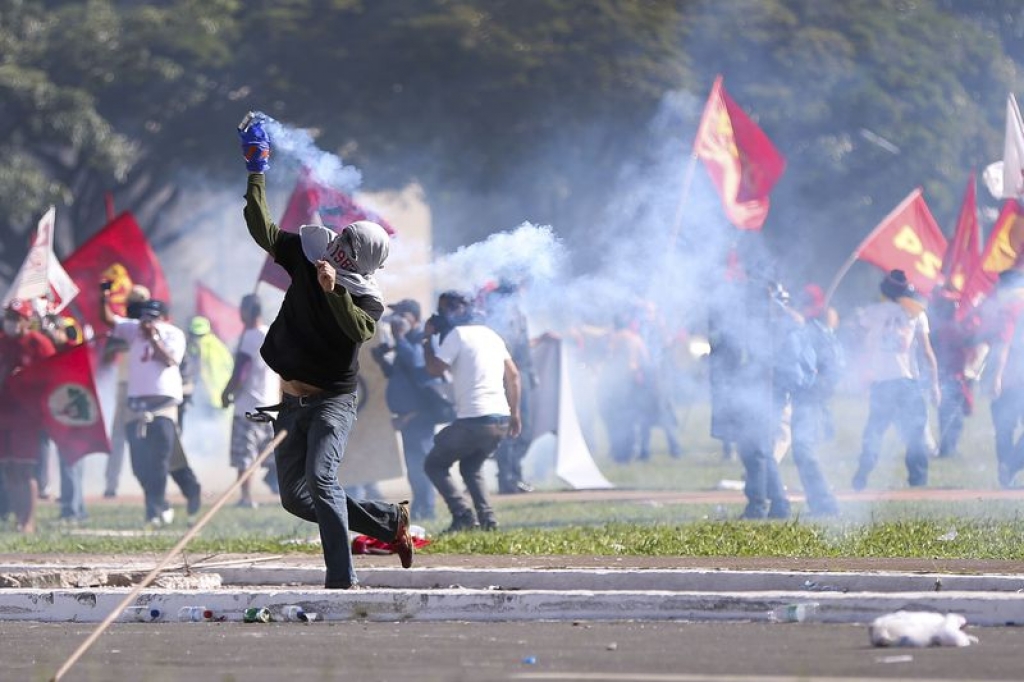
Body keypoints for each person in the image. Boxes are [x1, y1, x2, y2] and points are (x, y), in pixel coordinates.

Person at [238, 113, 413, 589]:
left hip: (332, 403)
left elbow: (357, 331)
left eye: (350, 250)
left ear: (361, 263)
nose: (339, 250)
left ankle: (342, 579)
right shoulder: (308, 253)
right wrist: (257, 170)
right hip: (291, 401)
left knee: (322, 482)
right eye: (343, 241)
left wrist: (335, 291)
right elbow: (264, 230)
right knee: (295, 498)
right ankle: (386, 524)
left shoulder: (366, 298)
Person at [422, 291, 521, 532]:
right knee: (470, 467)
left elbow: (435, 369)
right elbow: (514, 376)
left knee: (434, 464)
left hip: (475, 420)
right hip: (500, 419)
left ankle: (463, 515)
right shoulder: (491, 335)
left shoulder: (457, 335)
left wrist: (426, 340)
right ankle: (488, 520)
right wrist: (515, 414)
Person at [100, 293, 201, 525]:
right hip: (137, 404)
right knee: (140, 463)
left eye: (153, 318)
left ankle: (155, 509)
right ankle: (187, 488)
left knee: (162, 459)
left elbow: (169, 360)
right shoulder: (133, 330)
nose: (147, 322)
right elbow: (109, 320)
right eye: (145, 317)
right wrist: (103, 296)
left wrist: (154, 338)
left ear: (164, 318)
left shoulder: (173, 334)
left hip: (164, 405)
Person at [851, 269, 939, 490]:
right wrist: (935, 384)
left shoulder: (871, 313)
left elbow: (860, 342)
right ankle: (918, 482)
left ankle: (861, 475)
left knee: (875, 432)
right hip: (907, 383)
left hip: (882, 382)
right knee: (915, 434)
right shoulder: (916, 314)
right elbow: (927, 352)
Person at [370, 298, 438, 520]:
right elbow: (400, 375)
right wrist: (382, 361)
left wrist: (399, 338)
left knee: (422, 465)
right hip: (408, 419)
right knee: (414, 466)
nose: (398, 319)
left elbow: (418, 369)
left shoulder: (419, 340)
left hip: (419, 417)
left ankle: (427, 510)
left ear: (415, 318)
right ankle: (421, 508)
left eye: (403, 314)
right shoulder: (405, 341)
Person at [0, 299, 56, 532]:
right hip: (4, 414)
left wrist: (27, 376)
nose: (11, 322)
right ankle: (17, 517)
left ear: (26, 320)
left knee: (25, 469)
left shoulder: (38, 343)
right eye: (8, 317)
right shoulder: (2, 341)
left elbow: (54, 374)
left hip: (27, 417)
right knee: (9, 469)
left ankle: (28, 521)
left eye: (16, 317)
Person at [221, 294, 281, 508]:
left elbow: (241, 371)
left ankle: (246, 498)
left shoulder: (249, 337)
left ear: (247, 311)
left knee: (245, 456)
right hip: (270, 405)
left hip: (248, 406)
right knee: (270, 454)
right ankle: (278, 490)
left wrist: (227, 392)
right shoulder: (271, 334)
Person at [788, 284, 841, 517]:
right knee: (803, 450)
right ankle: (819, 503)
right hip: (813, 397)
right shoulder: (821, 330)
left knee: (804, 450)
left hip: (810, 397)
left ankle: (825, 505)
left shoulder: (810, 331)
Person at [480, 280, 538, 492]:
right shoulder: (496, 321)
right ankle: (507, 478)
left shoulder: (519, 316)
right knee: (510, 429)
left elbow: (524, 345)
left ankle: (514, 473)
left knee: (526, 430)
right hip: (508, 375)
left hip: (523, 374)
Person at [980, 268, 1024, 487]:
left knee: (1003, 429)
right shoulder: (1010, 308)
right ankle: (1009, 471)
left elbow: (1002, 346)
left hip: (1010, 379)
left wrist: (996, 377)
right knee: (1004, 428)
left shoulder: (1009, 308)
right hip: (1013, 379)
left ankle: (1008, 468)